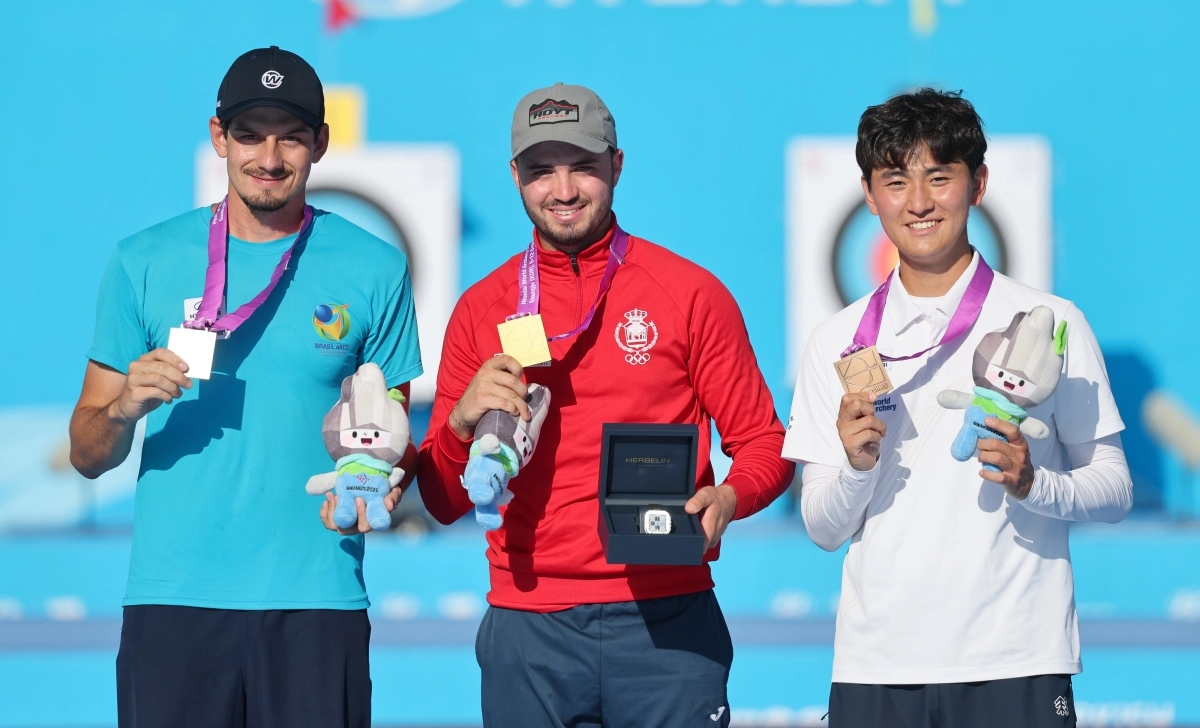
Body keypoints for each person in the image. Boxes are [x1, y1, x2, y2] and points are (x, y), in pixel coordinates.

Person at [417, 83, 795, 728]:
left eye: (583, 167)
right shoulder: (482, 307)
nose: (563, 190)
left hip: (668, 620)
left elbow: (764, 442)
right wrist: (455, 424)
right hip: (529, 626)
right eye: (541, 171)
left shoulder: (689, 293)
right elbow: (442, 500)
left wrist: (729, 500)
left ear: (617, 166)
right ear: (515, 177)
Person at [68, 46, 422, 728]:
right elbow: (87, 453)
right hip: (174, 602)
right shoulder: (142, 259)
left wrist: (383, 473)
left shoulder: (374, 267)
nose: (269, 155)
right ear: (218, 137)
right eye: (250, 133)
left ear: (320, 143)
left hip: (317, 600)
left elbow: (392, 434)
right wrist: (123, 406)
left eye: (291, 135)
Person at [783, 88, 1132, 728]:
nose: (918, 203)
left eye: (939, 177)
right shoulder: (840, 340)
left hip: (1017, 658)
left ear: (978, 185)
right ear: (868, 194)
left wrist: (1035, 484)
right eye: (896, 181)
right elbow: (823, 528)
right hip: (878, 666)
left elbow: (1113, 487)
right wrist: (859, 468)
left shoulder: (1049, 324)